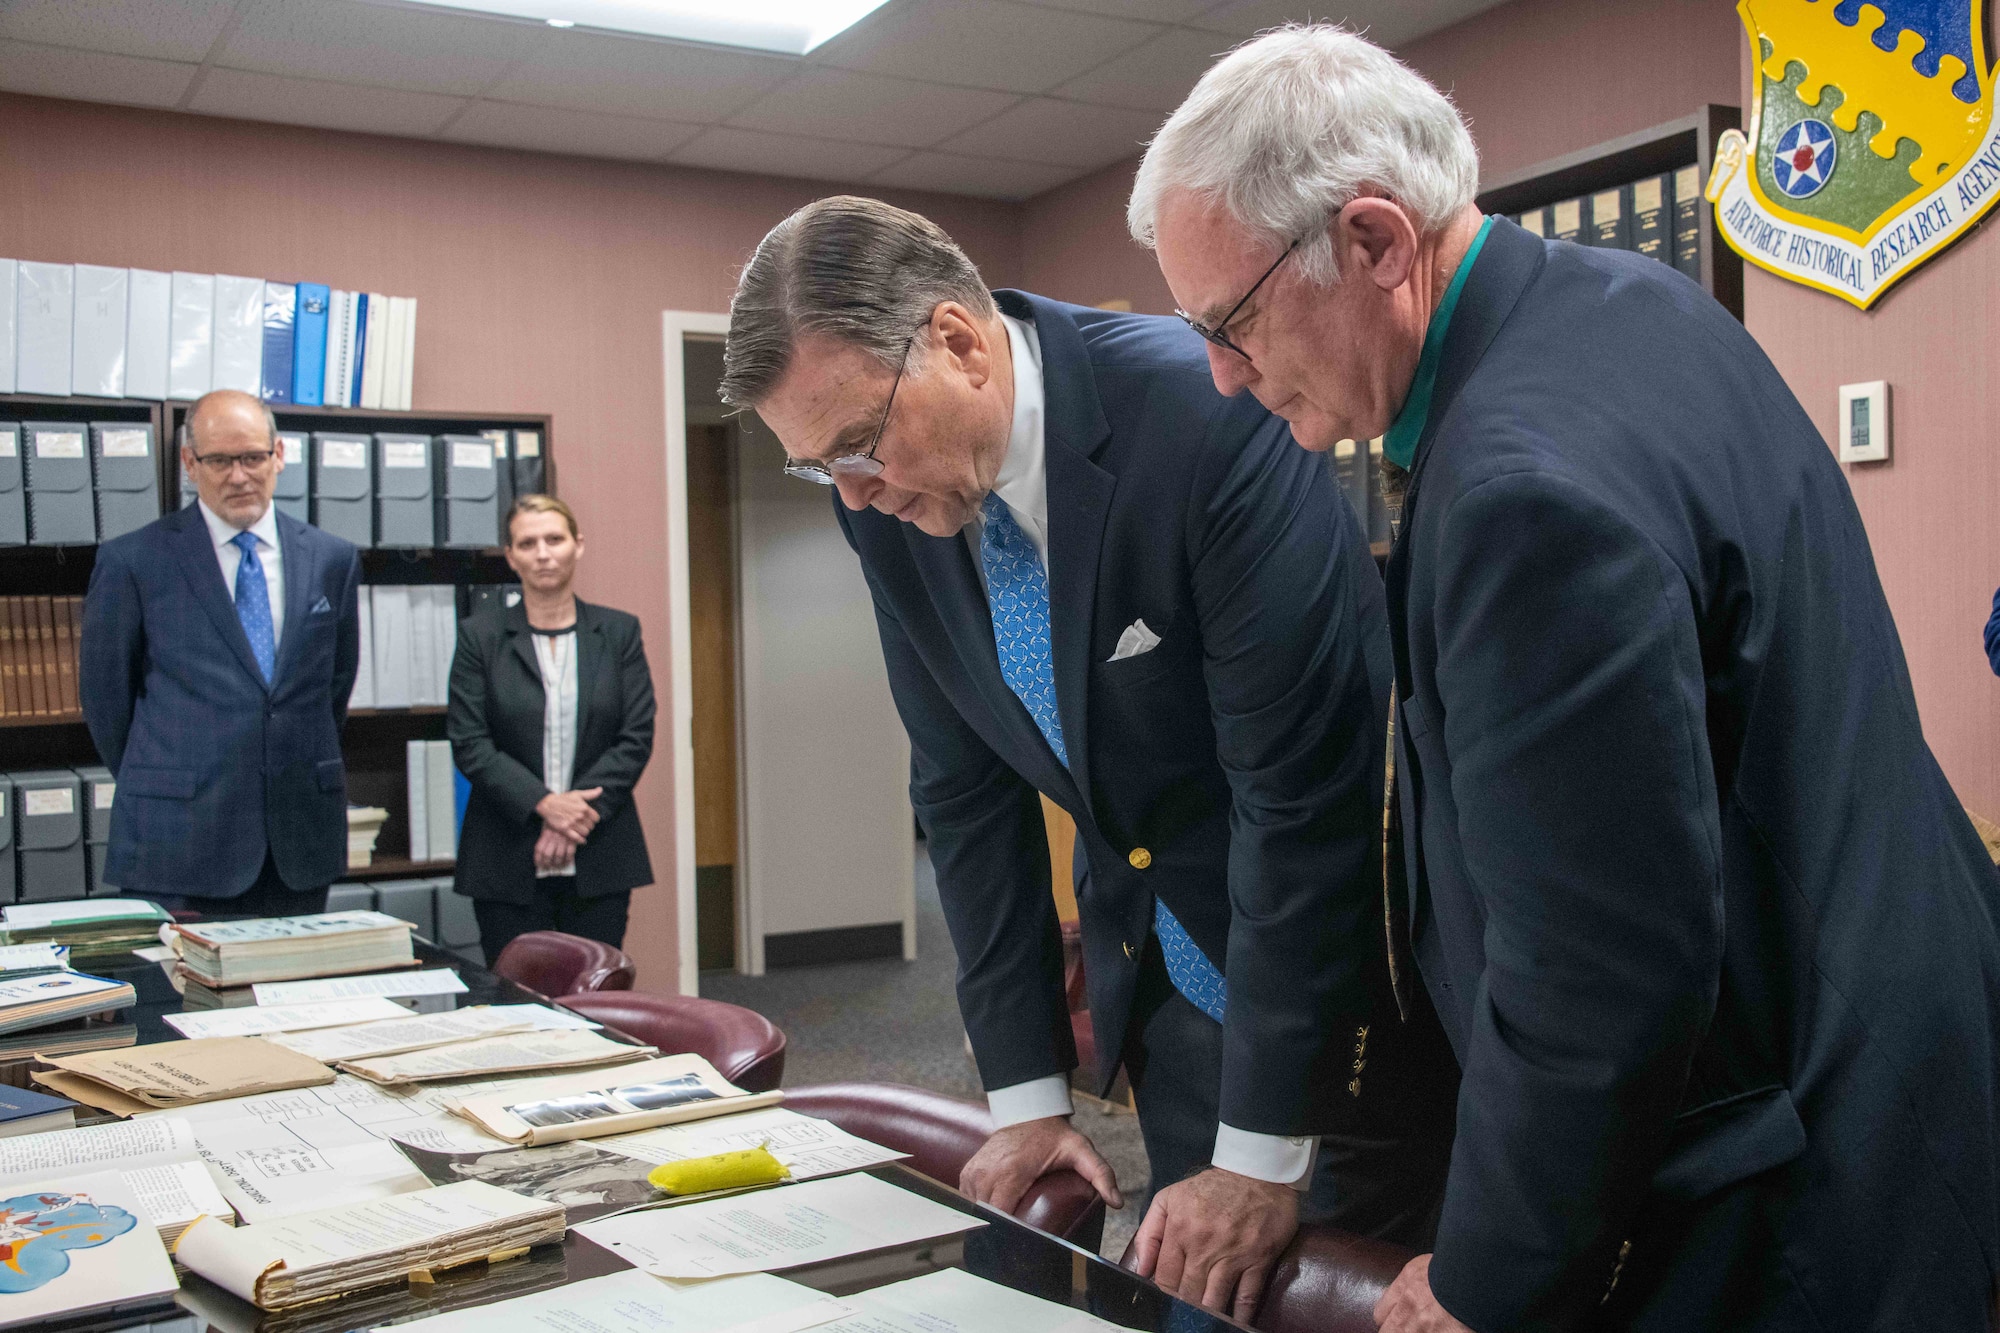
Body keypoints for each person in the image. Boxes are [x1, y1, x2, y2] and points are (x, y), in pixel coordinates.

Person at [1131, 24, 2000, 1332]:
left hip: (1783, 1188)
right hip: (1895, 1057)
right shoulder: (1628, 303)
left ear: (1374, 242)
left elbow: (1599, 972)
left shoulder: (1516, 492)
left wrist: (1487, 1274)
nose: (1223, 376)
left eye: (1231, 321)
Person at [721, 196, 1458, 1320]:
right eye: (821, 471)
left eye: (859, 448)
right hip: (1165, 991)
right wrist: (1023, 1094)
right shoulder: (886, 501)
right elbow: (962, 795)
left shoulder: (1201, 414)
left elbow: (1301, 793)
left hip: (1345, 999)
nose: (857, 493)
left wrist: (1259, 1154)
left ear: (958, 342)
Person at [79, 389, 362, 914]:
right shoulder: (134, 561)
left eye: (253, 457)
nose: (239, 475)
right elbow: (105, 699)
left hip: (297, 841)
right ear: (189, 463)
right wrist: (168, 776)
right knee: (176, 997)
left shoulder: (332, 559)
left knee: (296, 997)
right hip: (177, 840)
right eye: (219, 460)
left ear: (279, 455)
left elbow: (332, 688)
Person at [448, 495, 656, 962]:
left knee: (596, 999)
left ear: (577, 546)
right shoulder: (478, 637)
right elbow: (470, 741)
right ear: (510, 556)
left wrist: (572, 820)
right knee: (517, 1001)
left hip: (600, 851)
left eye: (554, 539)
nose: (542, 553)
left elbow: (635, 735)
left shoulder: (619, 632)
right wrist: (544, 806)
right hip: (505, 853)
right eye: (527, 543)